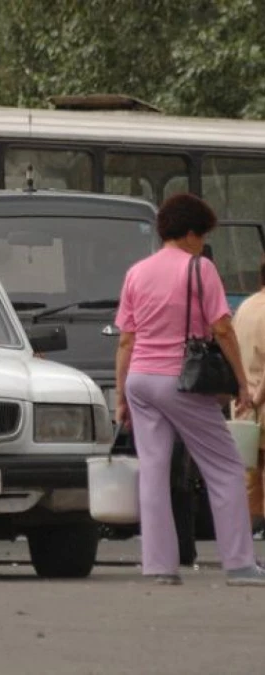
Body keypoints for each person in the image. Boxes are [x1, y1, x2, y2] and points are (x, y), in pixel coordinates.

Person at [114, 192, 265, 586]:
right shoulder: (200, 269)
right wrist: (242, 383)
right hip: (179, 379)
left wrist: (119, 396)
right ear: (190, 233)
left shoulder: (136, 272)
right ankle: (239, 563)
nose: (202, 244)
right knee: (226, 465)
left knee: (154, 470)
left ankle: (160, 566)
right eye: (202, 236)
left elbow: (126, 340)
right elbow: (221, 329)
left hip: (140, 381)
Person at [231, 257, 265, 532]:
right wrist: (258, 398)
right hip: (260, 402)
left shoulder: (244, 307)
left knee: (249, 473)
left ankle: (248, 531)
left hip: (242, 405)